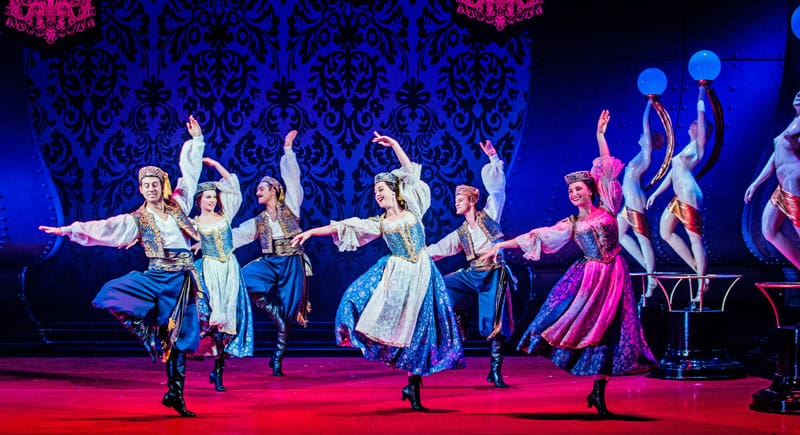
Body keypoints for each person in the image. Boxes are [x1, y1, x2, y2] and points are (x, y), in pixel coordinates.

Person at [480, 110, 656, 416]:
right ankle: (590, 385)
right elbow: (537, 235)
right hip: (589, 276)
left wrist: (600, 136)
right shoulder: (572, 222)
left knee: (612, 329)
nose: (573, 194)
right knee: (580, 323)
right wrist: (500, 244)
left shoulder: (609, 206)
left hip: (614, 273)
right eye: (570, 191)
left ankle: (599, 392)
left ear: (591, 191)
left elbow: (607, 172)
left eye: (578, 189)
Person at [39, 115, 208, 417]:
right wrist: (67, 231)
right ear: (141, 190)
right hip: (157, 274)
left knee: (181, 339)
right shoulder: (137, 219)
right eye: (146, 185)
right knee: (110, 292)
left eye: (155, 183)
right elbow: (104, 228)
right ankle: (148, 331)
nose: (151, 188)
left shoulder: (179, 205)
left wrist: (197, 141)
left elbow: (191, 174)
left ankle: (175, 393)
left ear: (162, 186)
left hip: (182, 279)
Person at [291, 132, 464, 411]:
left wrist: (394, 145)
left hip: (422, 272)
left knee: (420, 329)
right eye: (376, 192)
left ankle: (414, 386)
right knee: (359, 301)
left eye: (382, 190)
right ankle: (404, 376)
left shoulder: (414, 207)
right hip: (397, 274)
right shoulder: (380, 223)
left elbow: (410, 172)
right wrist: (311, 231)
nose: (378, 194)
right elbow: (344, 227)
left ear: (395, 191)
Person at [427, 139, 515, 388]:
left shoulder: (490, 214)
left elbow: (498, 190)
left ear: (472, 201)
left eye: (460, 198)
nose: (456, 202)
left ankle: (495, 371)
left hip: (494, 274)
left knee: (494, 322)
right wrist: (416, 254)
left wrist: (494, 158)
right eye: (456, 199)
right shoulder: (461, 233)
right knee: (444, 285)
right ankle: (458, 321)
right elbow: (439, 249)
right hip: (473, 273)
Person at [232, 130, 311, 377]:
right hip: (270, 261)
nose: (257, 192)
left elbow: (292, 178)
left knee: (289, 315)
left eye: (262, 189)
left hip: (292, 262)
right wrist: (207, 241)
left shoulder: (291, 206)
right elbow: (236, 236)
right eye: (257, 189)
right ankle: (272, 310)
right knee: (244, 279)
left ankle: (277, 359)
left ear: (275, 191)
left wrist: (288, 150)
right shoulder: (258, 221)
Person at [191, 157, 254, 392]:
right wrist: (196, 244)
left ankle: (218, 371)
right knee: (211, 318)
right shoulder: (195, 222)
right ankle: (212, 364)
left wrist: (216, 166)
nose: (212, 200)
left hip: (229, 267)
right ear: (199, 200)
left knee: (228, 319)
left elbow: (233, 185)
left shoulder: (225, 216)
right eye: (207, 197)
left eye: (214, 197)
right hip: (209, 268)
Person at [646, 87, 711, 303]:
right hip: (678, 195)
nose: (693, 124)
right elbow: (672, 174)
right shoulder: (686, 148)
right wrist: (655, 193)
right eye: (693, 123)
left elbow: (701, 115)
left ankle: (701, 286)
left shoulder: (699, 145)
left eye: (696, 124)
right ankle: (697, 269)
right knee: (665, 232)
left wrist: (701, 94)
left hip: (690, 194)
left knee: (695, 238)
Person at [744, 90, 800, 272]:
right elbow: (776, 158)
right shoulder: (794, 122)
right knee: (768, 230)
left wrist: (793, 141)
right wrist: (756, 183)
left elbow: (791, 143)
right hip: (783, 185)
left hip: (794, 181)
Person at [618, 100, 664, 299]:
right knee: (619, 234)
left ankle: (652, 278)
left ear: (649, 140)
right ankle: (647, 267)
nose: (640, 136)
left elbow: (646, 128)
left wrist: (648, 105)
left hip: (635, 200)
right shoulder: (640, 154)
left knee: (643, 239)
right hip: (628, 203)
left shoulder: (646, 155)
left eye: (645, 136)